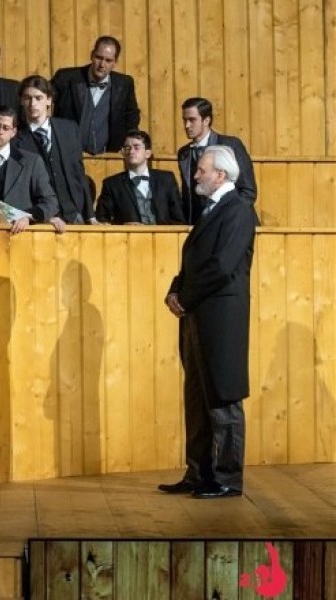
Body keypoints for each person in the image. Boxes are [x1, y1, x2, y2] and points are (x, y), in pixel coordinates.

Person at [159, 145, 257, 499]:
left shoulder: (239, 210)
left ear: (221, 174)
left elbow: (221, 266)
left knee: (223, 397)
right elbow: (193, 262)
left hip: (220, 319)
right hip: (198, 315)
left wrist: (185, 297)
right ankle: (198, 473)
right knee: (197, 398)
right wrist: (175, 289)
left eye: (201, 169)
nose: (196, 175)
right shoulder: (213, 209)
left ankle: (227, 477)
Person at [13, 75, 96, 224]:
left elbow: (79, 173)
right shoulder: (15, 139)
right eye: (27, 98)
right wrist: (42, 216)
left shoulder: (69, 129)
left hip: (74, 215)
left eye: (38, 98)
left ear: (49, 100)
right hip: (40, 219)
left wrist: (90, 216)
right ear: (21, 101)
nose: (33, 103)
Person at [0, 105, 64, 234]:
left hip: (17, 235)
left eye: (6, 128)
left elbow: (50, 202)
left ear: (14, 132)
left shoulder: (31, 162)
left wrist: (28, 216)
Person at [52, 35, 140, 154]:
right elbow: (43, 97)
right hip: (67, 154)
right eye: (99, 57)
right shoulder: (66, 78)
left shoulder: (124, 84)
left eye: (108, 60)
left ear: (115, 63)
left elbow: (132, 118)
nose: (102, 64)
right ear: (92, 55)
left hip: (109, 157)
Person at [177, 97, 257, 224]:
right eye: (184, 120)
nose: (187, 125)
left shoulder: (231, 145)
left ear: (206, 120)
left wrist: (229, 217)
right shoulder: (184, 153)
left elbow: (248, 191)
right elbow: (188, 197)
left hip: (234, 222)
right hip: (201, 225)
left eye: (192, 120)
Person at [96, 129, 184, 224]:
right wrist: (123, 226)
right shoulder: (112, 184)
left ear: (148, 153)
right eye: (127, 148)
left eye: (136, 147)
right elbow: (101, 219)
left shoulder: (166, 179)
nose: (131, 151)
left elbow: (178, 218)